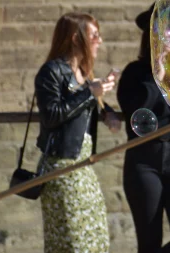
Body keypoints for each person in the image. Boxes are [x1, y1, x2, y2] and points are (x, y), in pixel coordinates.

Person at [117, 4, 170, 253]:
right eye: (160, 31)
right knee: (149, 242)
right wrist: (158, 77)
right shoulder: (135, 73)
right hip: (144, 160)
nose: (167, 36)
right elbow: (135, 114)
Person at [35, 13, 121, 253]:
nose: (99, 41)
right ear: (75, 38)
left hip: (84, 167)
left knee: (96, 239)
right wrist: (89, 94)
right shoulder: (51, 72)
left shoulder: (84, 72)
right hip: (62, 168)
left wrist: (108, 113)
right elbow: (52, 114)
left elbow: (87, 104)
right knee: (72, 242)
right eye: (94, 35)